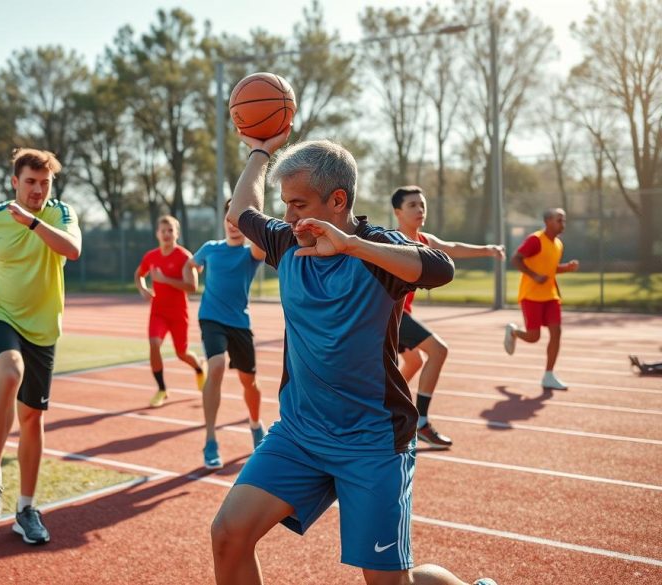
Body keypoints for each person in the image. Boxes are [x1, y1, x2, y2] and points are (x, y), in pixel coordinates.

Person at [211, 127, 497, 585]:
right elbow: (242, 210)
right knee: (228, 534)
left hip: (372, 442)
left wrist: (351, 245)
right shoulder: (287, 242)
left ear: (338, 201)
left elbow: (442, 269)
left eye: (299, 205)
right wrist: (261, 152)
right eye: (285, 204)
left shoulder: (380, 253)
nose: (287, 216)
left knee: (387, 582)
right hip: (301, 433)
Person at [0, 148, 81, 545]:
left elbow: (72, 250)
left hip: (43, 326)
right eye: (30, 182)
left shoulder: (60, 213)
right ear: (15, 181)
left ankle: (26, 508)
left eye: (45, 183)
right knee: (10, 373)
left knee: (32, 419)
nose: (38, 190)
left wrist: (31, 223)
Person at [391, 186, 505, 449]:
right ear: (398, 212)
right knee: (438, 350)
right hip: (387, 315)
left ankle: (382, 403)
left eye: (422, 204)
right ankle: (419, 423)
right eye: (412, 206)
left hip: (401, 315)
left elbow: (452, 247)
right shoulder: (391, 241)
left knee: (414, 361)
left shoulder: (425, 240)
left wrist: (487, 249)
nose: (420, 210)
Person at [186, 198, 267, 469]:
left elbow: (260, 242)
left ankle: (255, 424)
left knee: (249, 382)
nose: (234, 226)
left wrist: (253, 212)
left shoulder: (250, 254)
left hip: (240, 324)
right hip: (211, 318)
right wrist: (191, 279)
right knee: (216, 364)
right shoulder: (210, 249)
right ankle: (210, 439)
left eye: (240, 222)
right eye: (230, 220)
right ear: (223, 221)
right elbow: (191, 265)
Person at [503, 208, 579, 390]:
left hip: (551, 296)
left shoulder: (558, 244)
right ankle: (514, 332)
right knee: (533, 337)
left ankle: (549, 375)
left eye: (564, 221)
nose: (563, 224)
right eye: (559, 220)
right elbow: (516, 259)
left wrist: (566, 268)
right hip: (531, 296)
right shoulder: (535, 240)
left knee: (556, 332)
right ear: (547, 221)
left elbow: (551, 268)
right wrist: (534, 275)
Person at [135, 215, 206, 408]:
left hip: (178, 313)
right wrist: (143, 289)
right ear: (157, 234)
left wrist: (165, 279)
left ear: (177, 233)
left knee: (181, 353)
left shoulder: (184, 257)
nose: (166, 234)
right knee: (154, 344)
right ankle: (162, 389)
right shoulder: (151, 256)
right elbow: (139, 274)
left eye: (170, 230)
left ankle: (199, 367)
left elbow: (192, 287)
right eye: (163, 230)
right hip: (158, 311)